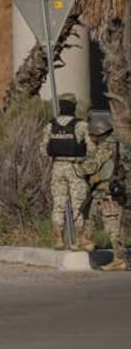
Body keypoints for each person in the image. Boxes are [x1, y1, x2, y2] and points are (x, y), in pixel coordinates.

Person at [80, 112, 126, 269]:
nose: (91, 137)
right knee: (89, 217)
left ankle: (119, 260)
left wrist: (79, 166)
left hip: (107, 193)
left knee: (112, 228)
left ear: (98, 133)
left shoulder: (105, 147)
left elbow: (90, 166)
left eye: (92, 134)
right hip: (104, 192)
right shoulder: (118, 144)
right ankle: (86, 242)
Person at [42, 93, 88, 250]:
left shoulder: (50, 125)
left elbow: (43, 150)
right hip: (75, 167)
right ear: (74, 106)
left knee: (58, 204)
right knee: (78, 205)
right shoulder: (81, 125)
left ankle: (58, 240)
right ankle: (79, 241)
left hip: (57, 167)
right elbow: (91, 148)